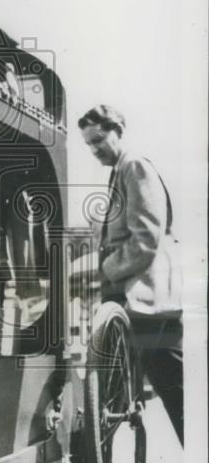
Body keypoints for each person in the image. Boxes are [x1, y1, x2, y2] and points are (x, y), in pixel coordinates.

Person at [78, 104, 183, 445]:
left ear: (118, 130)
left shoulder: (134, 166)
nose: (95, 149)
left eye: (99, 139)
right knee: (168, 389)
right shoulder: (119, 171)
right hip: (137, 298)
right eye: (89, 144)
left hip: (148, 299)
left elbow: (146, 239)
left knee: (176, 391)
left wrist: (102, 270)